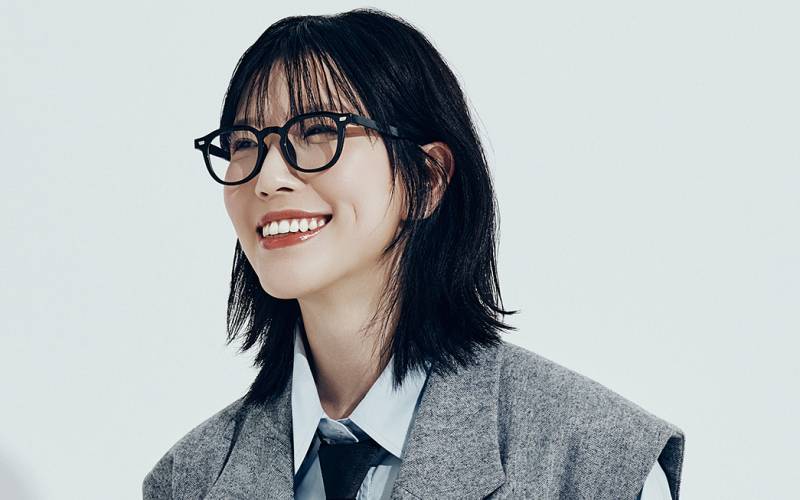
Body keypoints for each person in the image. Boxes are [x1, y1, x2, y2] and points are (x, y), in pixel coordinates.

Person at [143, 8, 684, 500]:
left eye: (318, 131)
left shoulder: (596, 464)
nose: (267, 177)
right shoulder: (185, 481)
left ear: (427, 180)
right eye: (243, 143)